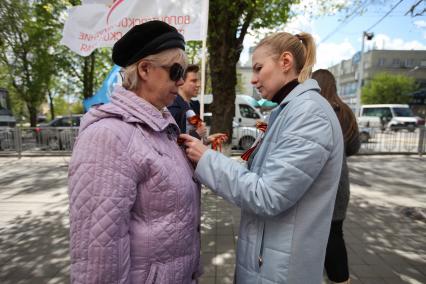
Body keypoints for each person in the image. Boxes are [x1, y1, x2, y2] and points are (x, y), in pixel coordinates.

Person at [180, 32, 344, 284]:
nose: (254, 79)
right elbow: (261, 176)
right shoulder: (288, 111)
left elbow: (267, 194)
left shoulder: (309, 115)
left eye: (258, 68)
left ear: (285, 62)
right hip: (270, 260)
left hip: (279, 269)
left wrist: (207, 160)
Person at [68, 21, 201, 284]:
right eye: (176, 71)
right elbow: (99, 255)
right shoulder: (107, 136)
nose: (181, 81)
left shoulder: (162, 126)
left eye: (183, 73)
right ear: (144, 69)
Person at [312, 69, 360, 284]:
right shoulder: (346, 112)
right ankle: (341, 279)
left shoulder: (313, 110)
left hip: (315, 185)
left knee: (315, 236)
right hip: (340, 183)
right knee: (334, 234)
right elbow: (354, 146)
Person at [168, 64, 206, 139]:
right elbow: (171, 142)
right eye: (194, 81)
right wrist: (197, 134)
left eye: (198, 81)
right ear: (181, 82)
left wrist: (207, 140)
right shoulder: (174, 108)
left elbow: (195, 131)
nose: (198, 85)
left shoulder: (193, 105)